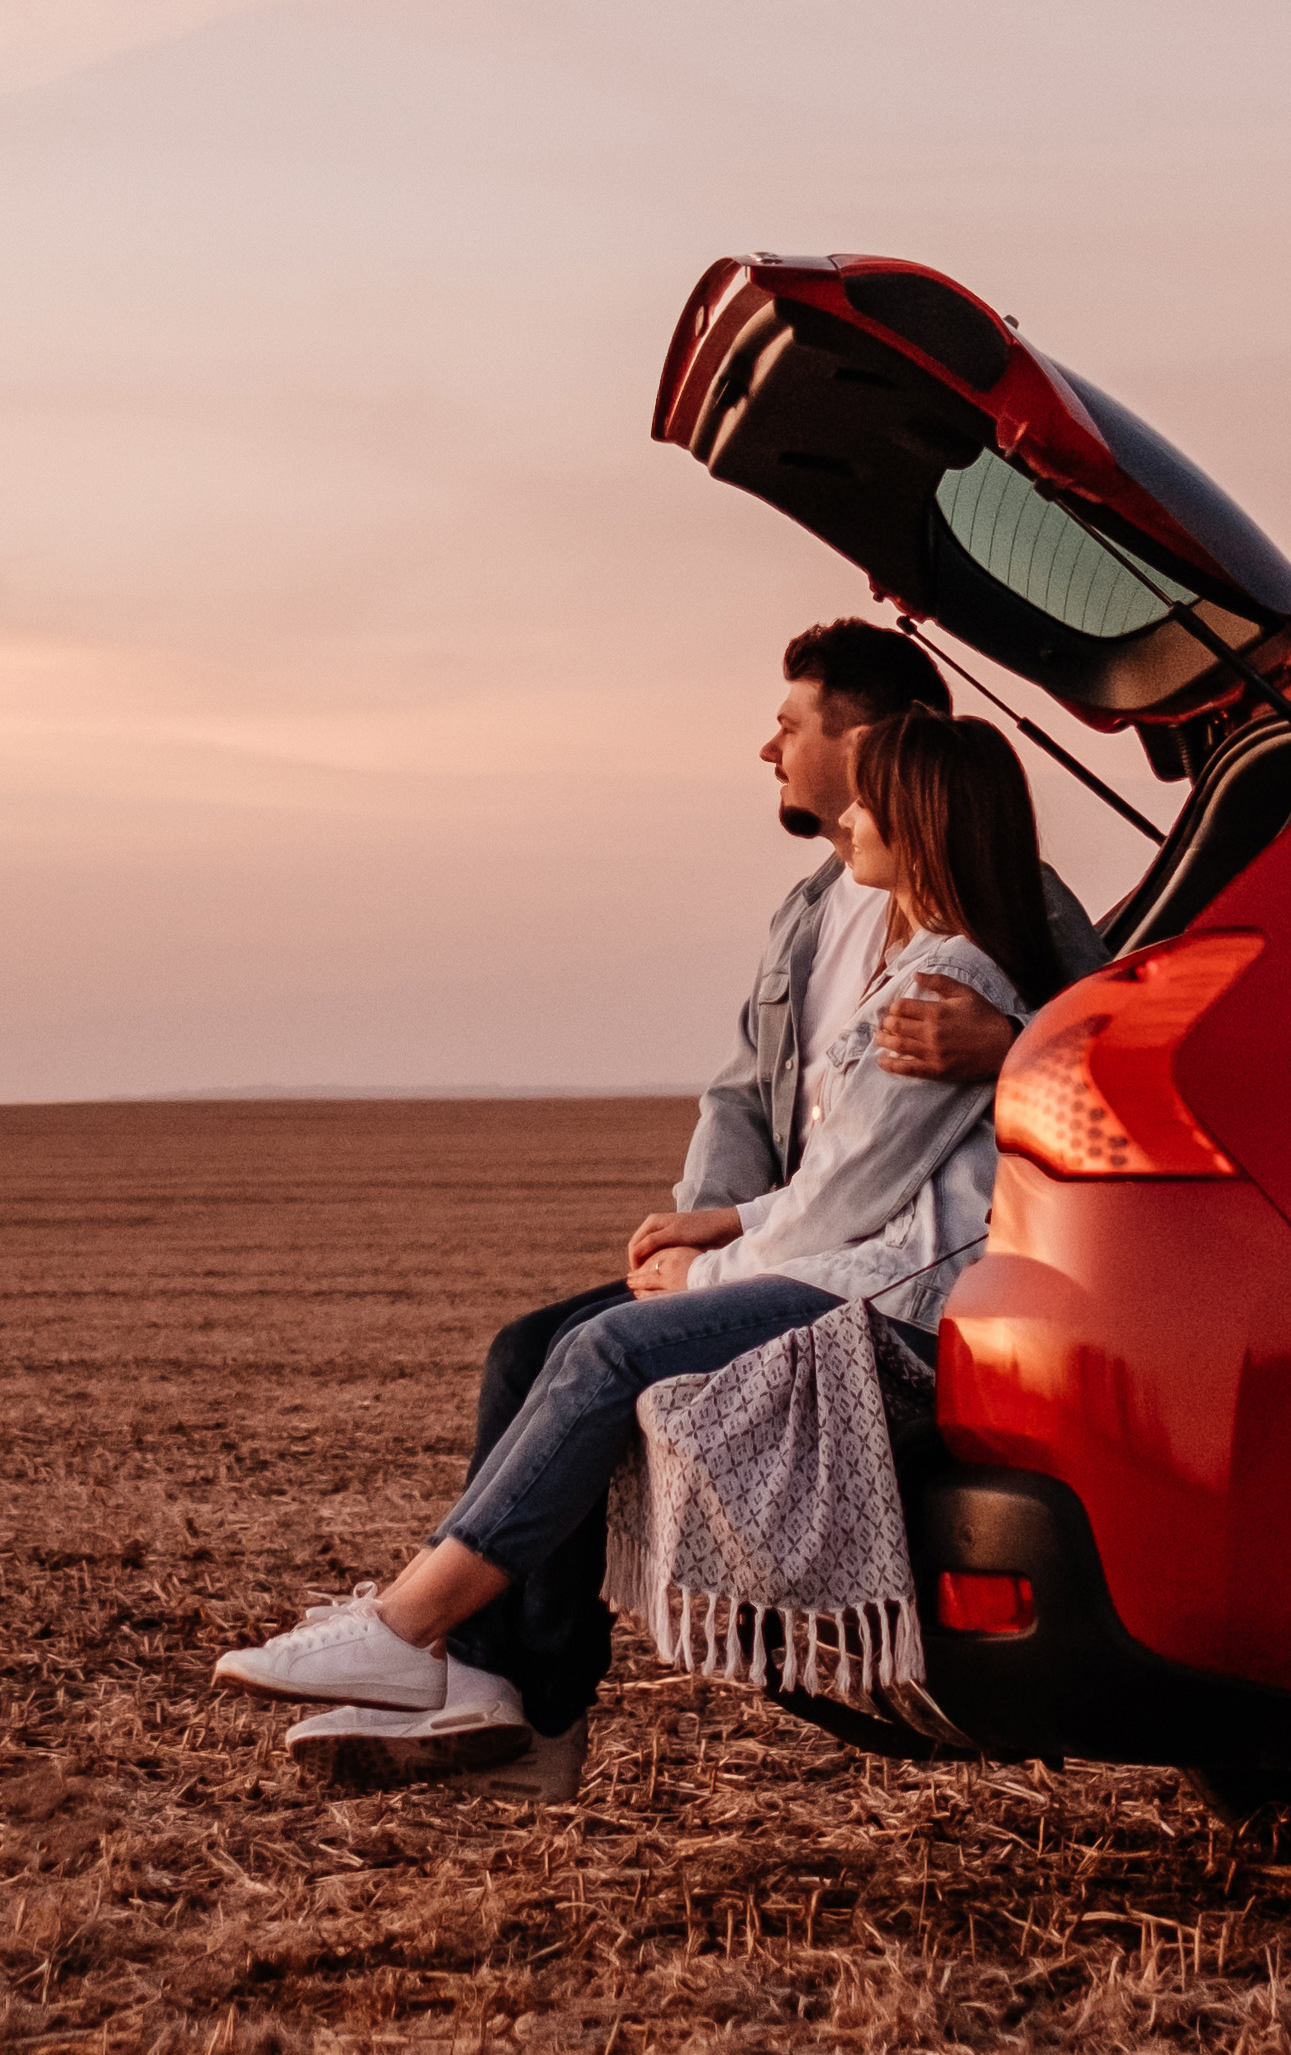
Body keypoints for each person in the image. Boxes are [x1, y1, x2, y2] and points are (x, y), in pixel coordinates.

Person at [211, 700, 1076, 1794]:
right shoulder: (903, 959)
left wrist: (700, 1275)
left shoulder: (948, 983)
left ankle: (408, 1626)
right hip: (855, 1260)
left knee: (610, 1351)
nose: (848, 814)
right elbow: (830, 1180)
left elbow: (846, 1202)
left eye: (870, 796)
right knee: (564, 1349)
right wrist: (721, 1226)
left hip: (892, 1295)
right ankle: (470, 1675)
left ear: (924, 818)